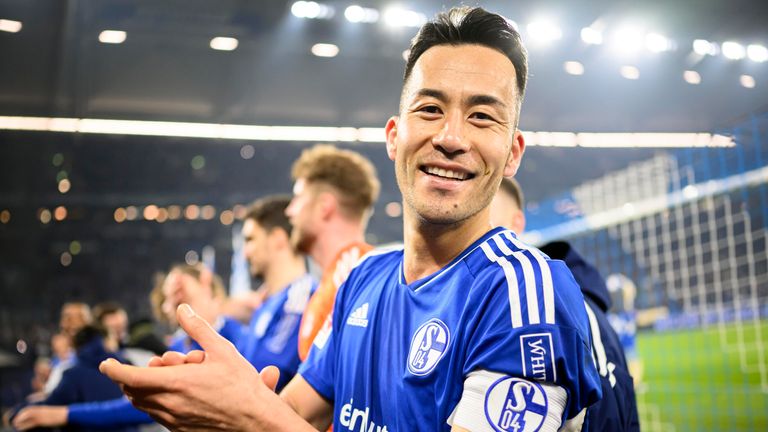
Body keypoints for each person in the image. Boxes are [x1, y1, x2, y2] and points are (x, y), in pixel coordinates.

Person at [100, 7, 601, 431]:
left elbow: (270, 422)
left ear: (512, 153)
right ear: (393, 136)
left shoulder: (523, 294)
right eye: (429, 109)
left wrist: (254, 417)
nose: (451, 137)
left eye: (482, 116)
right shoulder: (361, 281)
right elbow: (291, 411)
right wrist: (217, 404)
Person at [491, 177, 640, 431]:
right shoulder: (493, 300)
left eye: (483, 221)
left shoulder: (567, 306)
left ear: (516, 223)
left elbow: (607, 410)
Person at [285, 144, 380, 360]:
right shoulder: (340, 278)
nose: (289, 211)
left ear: (324, 206)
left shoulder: (354, 276)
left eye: (298, 197)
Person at [238, 195, 317, 390]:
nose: (245, 253)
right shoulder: (269, 303)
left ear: (278, 239)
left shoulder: (301, 297)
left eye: (250, 240)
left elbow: (267, 370)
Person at [10, 325, 138, 432]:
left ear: (76, 348)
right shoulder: (128, 365)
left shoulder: (73, 373)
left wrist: (18, 410)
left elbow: (50, 406)